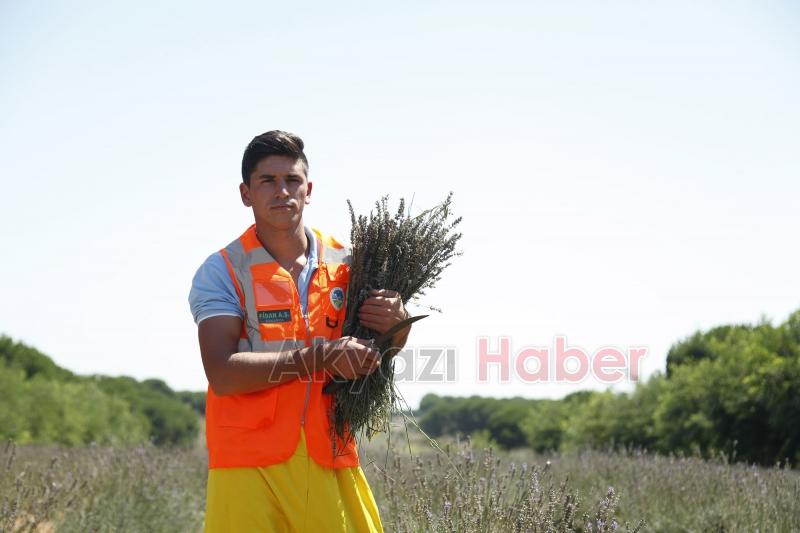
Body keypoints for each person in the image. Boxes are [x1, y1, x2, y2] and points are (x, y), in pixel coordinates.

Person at [188, 130, 411, 532]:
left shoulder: (349, 264)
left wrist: (396, 328)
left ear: (309, 190)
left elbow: (378, 353)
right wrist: (321, 357)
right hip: (247, 464)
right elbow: (222, 373)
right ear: (245, 193)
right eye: (267, 181)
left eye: (292, 180)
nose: (282, 192)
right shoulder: (223, 270)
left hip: (330, 453)